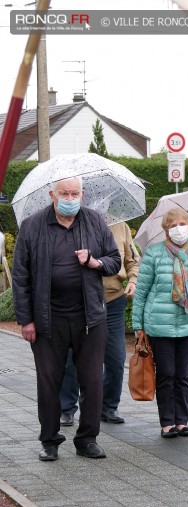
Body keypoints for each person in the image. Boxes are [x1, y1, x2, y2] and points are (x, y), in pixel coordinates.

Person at [12, 176, 121, 461]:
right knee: (49, 382)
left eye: (75, 193)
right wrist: (26, 320)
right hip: (48, 319)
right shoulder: (32, 225)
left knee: (92, 380)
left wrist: (94, 261)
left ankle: (87, 439)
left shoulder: (96, 222)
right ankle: (49, 440)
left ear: (82, 194)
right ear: (52, 194)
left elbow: (114, 261)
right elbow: (21, 276)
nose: (70, 198)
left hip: (90, 318)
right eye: (65, 193)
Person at [132, 207, 188, 439]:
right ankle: (167, 422)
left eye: (183, 224)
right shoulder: (154, 254)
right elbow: (141, 292)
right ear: (166, 230)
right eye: (173, 225)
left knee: (183, 375)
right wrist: (137, 324)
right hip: (159, 324)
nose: (179, 229)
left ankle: (182, 421)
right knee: (166, 373)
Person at [60, 221, 140, 426]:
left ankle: (108, 406)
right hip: (79, 301)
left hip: (112, 301)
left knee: (116, 358)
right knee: (72, 357)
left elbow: (132, 260)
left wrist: (133, 280)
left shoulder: (120, 226)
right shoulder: (71, 225)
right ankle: (66, 408)